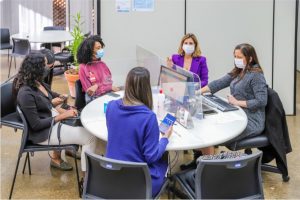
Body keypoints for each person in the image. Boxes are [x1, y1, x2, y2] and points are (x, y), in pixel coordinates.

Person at [13, 53, 97, 176]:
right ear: (36, 68)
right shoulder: (25, 93)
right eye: (44, 64)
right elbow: (36, 125)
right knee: (90, 137)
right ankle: (87, 180)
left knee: (84, 124)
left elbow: (49, 94)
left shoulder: (36, 82)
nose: (47, 67)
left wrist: (61, 99)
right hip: (43, 134)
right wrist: (63, 115)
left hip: (50, 120)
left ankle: (81, 161)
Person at [105, 67, 173, 197]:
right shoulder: (148, 117)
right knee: (164, 159)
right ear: (146, 88)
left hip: (111, 176)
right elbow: (151, 156)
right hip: (139, 182)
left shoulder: (111, 106)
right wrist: (165, 138)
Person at [202, 43, 268, 143]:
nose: (236, 59)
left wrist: (237, 102)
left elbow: (261, 101)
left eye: (239, 57)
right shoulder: (239, 70)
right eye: (235, 57)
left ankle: (208, 158)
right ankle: (203, 157)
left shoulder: (256, 75)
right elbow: (219, 83)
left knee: (214, 134)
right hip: (237, 113)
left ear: (250, 59)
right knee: (208, 124)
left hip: (251, 120)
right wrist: (197, 91)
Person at [77, 35, 119, 104]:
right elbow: (90, 92)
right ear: (89, 51)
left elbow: (109, 82)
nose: (101, 50)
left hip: (107, 94)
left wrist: (97, 86)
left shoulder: (102, 64)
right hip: (94, 99)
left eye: (101, 47)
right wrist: (107, 87)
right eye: (98, 48)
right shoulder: (83, 67)